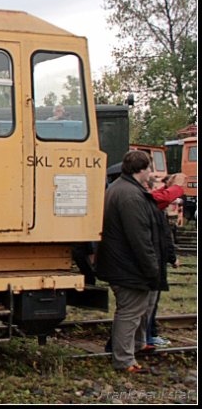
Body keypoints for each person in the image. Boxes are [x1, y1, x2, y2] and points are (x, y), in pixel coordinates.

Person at [95, 150, 161, 374]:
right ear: (141, 170)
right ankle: (124, 360)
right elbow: (139, 238)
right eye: (150, 168)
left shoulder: (118, 189)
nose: (151, 173)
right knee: (130, 312)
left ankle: (127, 353)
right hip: (127, 265)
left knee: (130, 311)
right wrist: (152, 269)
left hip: (118, 262)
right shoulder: (131, 196)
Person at [144, 173, 185, 347]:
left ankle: (147, 334)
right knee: (147, 304)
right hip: (152, 261)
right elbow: (164, 237)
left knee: (149, 303)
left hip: (155, 259)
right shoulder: (151, 204)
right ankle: (146, 336)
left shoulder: (156, 209)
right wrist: (177, 186)